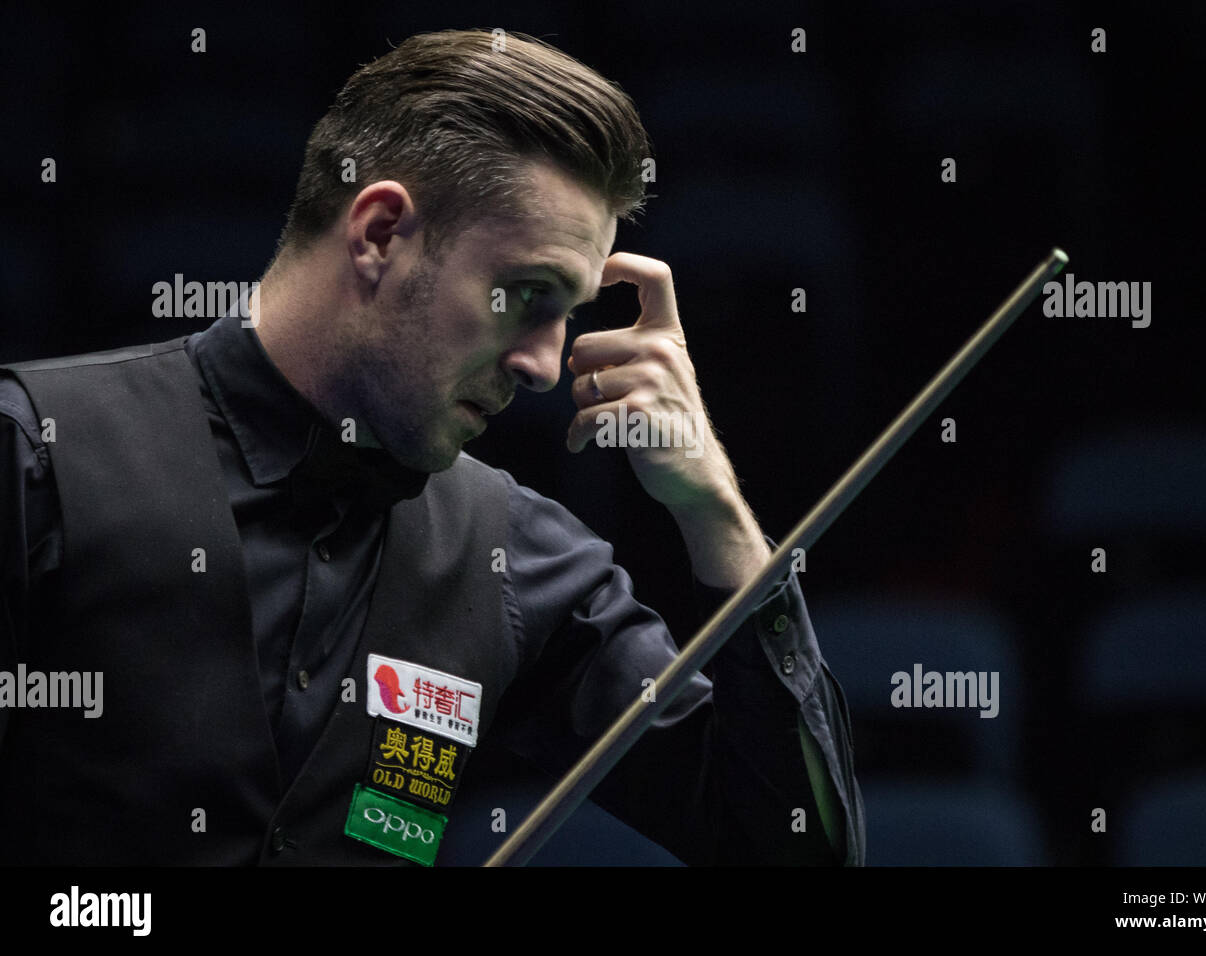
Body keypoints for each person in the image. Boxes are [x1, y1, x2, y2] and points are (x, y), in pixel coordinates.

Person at [0, 28, 864, 865]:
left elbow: (789, 847)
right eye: (524, 294)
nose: (543, 366)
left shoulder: (522, 562)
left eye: (568, 314)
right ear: (379, 235)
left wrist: (718, 512)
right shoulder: (37, 457)